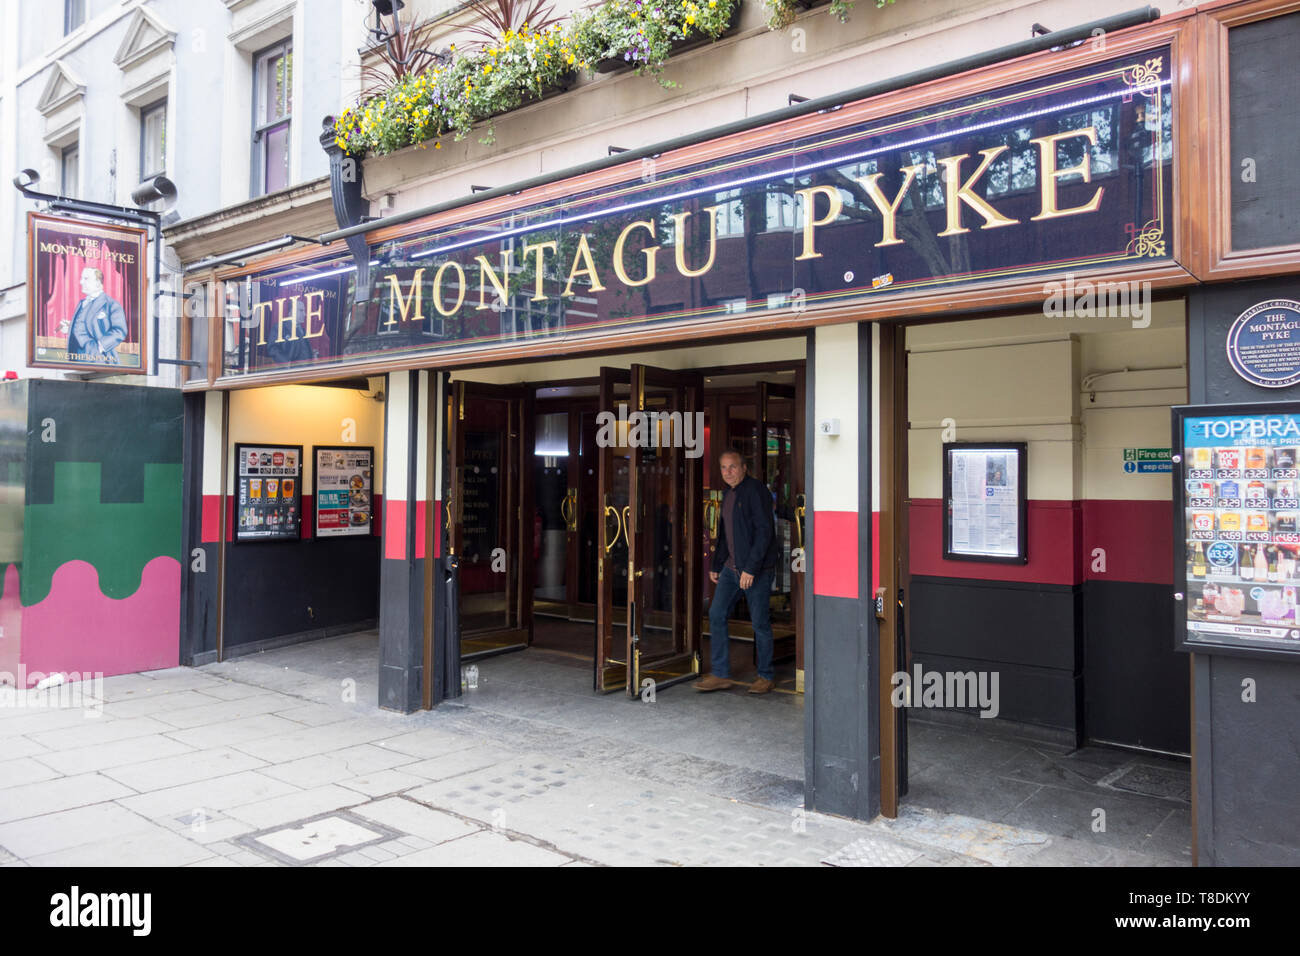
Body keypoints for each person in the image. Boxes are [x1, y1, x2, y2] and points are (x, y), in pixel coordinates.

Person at [695, 449, 781, 694]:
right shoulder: (728, 494)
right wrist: (715, 565)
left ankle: (765, 676)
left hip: (757, 571)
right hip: (731, 569)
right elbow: (724, 534)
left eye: (733, 467)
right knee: (716, 613)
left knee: (760, 624)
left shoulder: (756, 491)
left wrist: (751, 569)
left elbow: (765, 532)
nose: (728, 472)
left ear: (744, 467)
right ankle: (721, 674)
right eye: (723, 468)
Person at [64, 267, 127, 364]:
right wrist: (70, 328)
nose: (81, 282)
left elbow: (120, 331)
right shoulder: (82, 303)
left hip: (98, 358)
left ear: (97, 283)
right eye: (82, 278)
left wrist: (100, 346)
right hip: (75, 355)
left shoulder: (111, 304)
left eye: (86, 279)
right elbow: (84, 325)